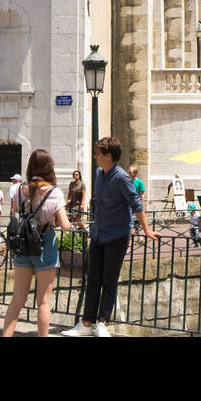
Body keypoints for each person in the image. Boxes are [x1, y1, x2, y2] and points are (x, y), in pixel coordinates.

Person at [62, 137, 159, 337]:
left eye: (98, 153)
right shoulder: (99, 173)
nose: (95, 156)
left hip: (117, 236)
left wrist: (147, 230)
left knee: (109, 280)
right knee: (93, 279)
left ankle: (102, 323)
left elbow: (136, 205)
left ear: (108, 156)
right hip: (98, 234)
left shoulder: (122, 178)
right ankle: (86, 323)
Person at [1, 150, 71, 337]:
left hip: (22, 244)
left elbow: (15, 213)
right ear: (49, 168)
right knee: (43, 301)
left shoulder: (18, 189)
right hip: (44, 243)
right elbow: (65, 225)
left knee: (17, 298)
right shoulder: (54, 192)